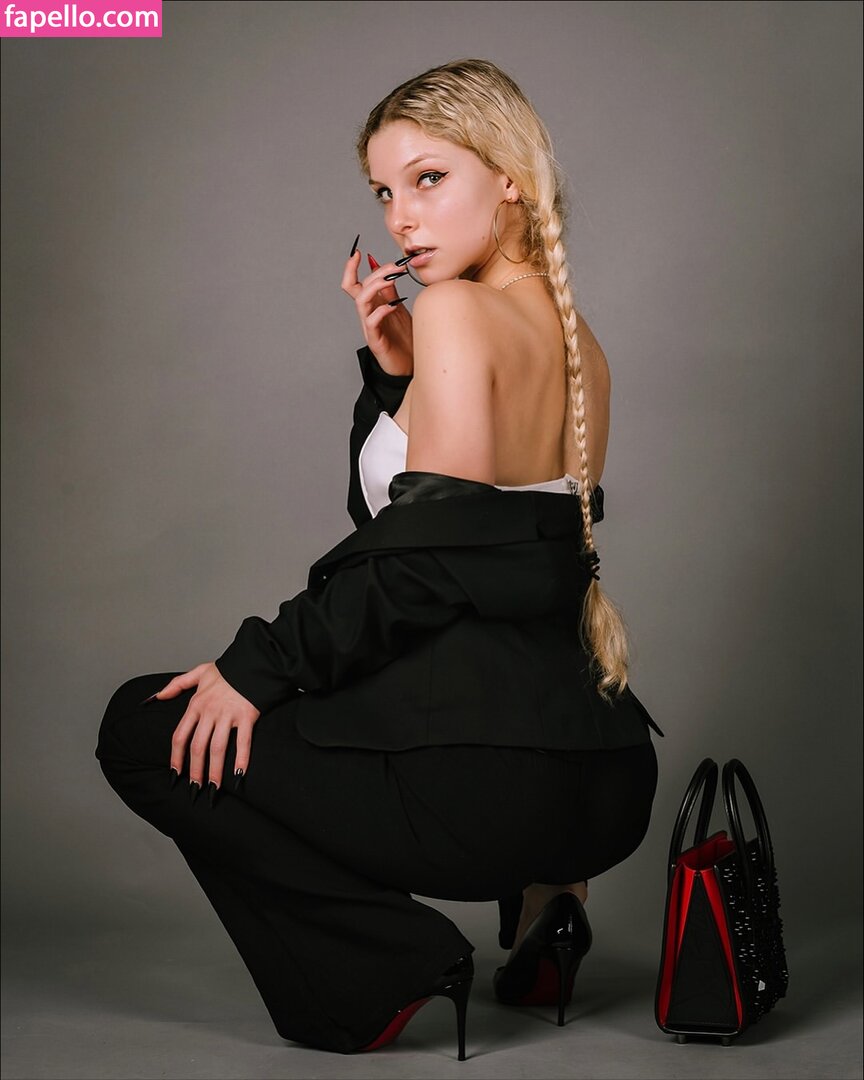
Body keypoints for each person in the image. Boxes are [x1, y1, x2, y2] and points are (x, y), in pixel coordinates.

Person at [96, 58, 663, 1060]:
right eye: (384, 193)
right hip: (603, 785)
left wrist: (256, 666)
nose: (402, 218)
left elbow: (419, 566)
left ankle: (394, 961)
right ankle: (552, 904)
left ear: (510, 176)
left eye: (429, 179)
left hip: (479, 789)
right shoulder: (581, 344)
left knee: (143, 730)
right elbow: (483, 541)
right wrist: (398, 379)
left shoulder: (456, 311)